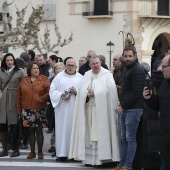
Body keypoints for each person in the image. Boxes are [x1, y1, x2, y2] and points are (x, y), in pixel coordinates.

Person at [69, 56, 120, 168]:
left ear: (100, 63)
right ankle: (89, 159)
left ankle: (102, 160)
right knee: (89, 133)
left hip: (103, 111)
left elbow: (110, 92)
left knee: (100, 133)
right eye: (94, 64)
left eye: (98, 63)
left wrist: (96, 92)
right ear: (90, 65)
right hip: (89, 109)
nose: (96, 65)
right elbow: (81, 90)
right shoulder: (87, 75)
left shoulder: (106, 74)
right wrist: (87, 93)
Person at [114, 48, 145, 170]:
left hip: (134, 109)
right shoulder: (127, 69)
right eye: (125, 56)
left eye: (130, 56)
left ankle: (127, 166)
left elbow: (137, 92)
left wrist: (122, 105)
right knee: (124, 138)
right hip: (127, 108)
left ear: (135, 56)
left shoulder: (137, 70)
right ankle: (121, 165)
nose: (127, 59)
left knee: (130, 138)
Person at [50, 58, 83, 161]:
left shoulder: (81, 78)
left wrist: (76, 91)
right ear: (65, 65)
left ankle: (74, 154)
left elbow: (85, 93)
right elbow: (52, 91)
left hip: (75, 110)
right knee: (62, 131)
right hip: (62, 110)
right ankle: (62, 154)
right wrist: (61, 95)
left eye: (72, 65)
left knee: (74, 131)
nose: (70, 67)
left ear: (76, 67)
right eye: (68, 65)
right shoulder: (58, 77)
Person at [16, 62, 50, 159]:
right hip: (26, 109)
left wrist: (41, 99)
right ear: (29, 70)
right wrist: (19, 109)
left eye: (37, 68)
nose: (36, 70)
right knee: (30, 131)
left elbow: (49, 91)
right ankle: (32, 152)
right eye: (34, 68)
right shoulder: (24, 80)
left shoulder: (44, 79)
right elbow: (18, 95)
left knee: (39, 130)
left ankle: (40, 152)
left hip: (39, 108)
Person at [143, 55, 170, 170]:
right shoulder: (165, 84)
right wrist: (148, 98)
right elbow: (158, 105)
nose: (161, 69)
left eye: (164, 67)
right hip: (165, 137)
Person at [0, 53, 24, 157]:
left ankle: (15, 149)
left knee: (14, 125)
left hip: (14, 99)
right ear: (4, 61)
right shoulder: (1, 72)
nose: (10, 62)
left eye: (11, 60)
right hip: (3, 99)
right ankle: (4, 149)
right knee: (2, 125)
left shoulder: (20, 72)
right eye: (7, 60)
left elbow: (23, 86)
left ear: (14, 61)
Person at [47, 62, 65, 154]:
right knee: (55, 126)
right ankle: (54, 144)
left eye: (59, 68)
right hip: (54, 105)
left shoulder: (66, 78)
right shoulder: (51, 80)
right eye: (56, 69)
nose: (58, 70)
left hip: (65, 105)